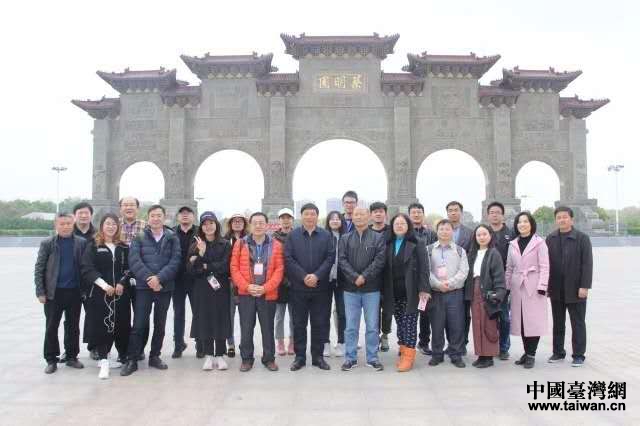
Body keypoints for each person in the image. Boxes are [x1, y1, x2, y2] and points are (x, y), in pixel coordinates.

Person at [121, 205, 181, 376]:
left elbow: (175, 261)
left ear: (164, 217)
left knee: (160, 324)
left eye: (159, 215)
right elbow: (134, 261)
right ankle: (132, 359)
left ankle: (155, 356)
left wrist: (159, 279)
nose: (156, 218)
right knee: (139, 323)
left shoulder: (172, 237)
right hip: (143, 287)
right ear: (148, 218)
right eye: (153, 215)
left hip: (164, 287)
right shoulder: (139, 237)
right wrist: (150, 279)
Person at [230, 212, 284, 372]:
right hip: (246, 294)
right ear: (250, 225)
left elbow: (279, 270)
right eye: (255, 223)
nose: (258, 226)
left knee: (267, 328)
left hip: (267, 294)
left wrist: (265, 288)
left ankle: (269, 359)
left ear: (267, 225)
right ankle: (246, 359)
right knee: (246, 328)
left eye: (262, 223)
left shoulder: (276, 245)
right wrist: (247, 286)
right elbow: (234, 268)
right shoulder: (240, 243)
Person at [80, 213, 132, 379]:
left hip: (120, 294)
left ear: (118, 227)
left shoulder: (124, 247)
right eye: (107, 224)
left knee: (122, 325)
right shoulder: (93, 245)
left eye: (114, 224)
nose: (111, 227)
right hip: (100, 294)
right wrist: (104, 285)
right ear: (102, 226)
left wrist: (122, 283)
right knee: (102, 326)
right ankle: (103, 360)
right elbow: (87, 268)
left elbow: (129, 268)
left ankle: (123, 356)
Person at [34, 212, 87, 374]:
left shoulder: (81, 243)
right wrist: (40, 291)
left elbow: (85, 268)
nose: (65, 227)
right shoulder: (47, 243)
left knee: (73, 326)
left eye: (68, 223)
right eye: (62, 224)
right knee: (51, 326)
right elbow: (39, 268)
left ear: (73, 224)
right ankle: (51, 359)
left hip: (74, 292)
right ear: (56, 225)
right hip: (53, 293)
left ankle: (71, 356)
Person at [286, 203, 335, 371]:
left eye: (312, 214)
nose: (309, 217)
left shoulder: (326, 235)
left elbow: (330, 258)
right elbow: (288, 258)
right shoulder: (292, 236)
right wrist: (303, 276)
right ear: (301, 216)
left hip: (321, 288)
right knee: (299, 324)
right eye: (306, 214)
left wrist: (316, 276)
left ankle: (318, 357)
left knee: (319, 323)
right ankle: (299, 357)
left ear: (317, 216)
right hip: (298, 288)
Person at [338, 207, 386, 371]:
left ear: (369, 217)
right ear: (352, 217)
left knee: (372, 326)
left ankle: (372, 358)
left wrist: (364, 277)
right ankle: (350, 358)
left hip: (371, 289)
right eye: (356, 214)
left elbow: (379, 260)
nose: (359, 217)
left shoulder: (378, 238)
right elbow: (342, 260)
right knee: (351, 326)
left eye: (362, 214)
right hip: (350, 290)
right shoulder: (345, 238)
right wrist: (354, 277)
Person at [382, 213, 430, 372]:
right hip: (393, 291)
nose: (399, 226)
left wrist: (424, 289)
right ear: (392, 226)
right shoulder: (388, 243)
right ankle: (403, 350)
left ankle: (408, 357)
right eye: (396, 223)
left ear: (408, 226)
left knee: (409, 324)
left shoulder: (417, 242)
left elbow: (424, 268)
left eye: (402, 223)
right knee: (400, 323)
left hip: (411, 291)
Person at [546, 206, 593, 367]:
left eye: (565, 217)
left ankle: (578, 355)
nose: (562, 220)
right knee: (558, 322)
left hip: (576, 289)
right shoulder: (551, 238)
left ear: (571, 219)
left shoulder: (582, 238)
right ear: (555, 220)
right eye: (559, 217)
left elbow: (587, 264)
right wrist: (547, 286)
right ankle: (558, 352)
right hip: (556, 288)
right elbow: (546, 264)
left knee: (577, 323)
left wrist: (584, 286)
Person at [187, 211, 232, 371]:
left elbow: (225, 266)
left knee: (220, 319)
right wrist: (200, 254)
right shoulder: (195, 245)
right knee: (204, 319)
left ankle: (219, 354)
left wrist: (205, 263)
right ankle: (208, 355)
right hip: (202, 288)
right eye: (205, 224)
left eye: (211, 223)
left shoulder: (225, 244)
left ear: (216, 225)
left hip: (220, 287)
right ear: (201, 227)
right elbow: (191, 270)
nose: (208, 226)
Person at [505, 212, 550, 369]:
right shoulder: (513, 244)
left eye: (525, 221)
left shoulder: (539, 243)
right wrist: (507, 287)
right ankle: (526, 352)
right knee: (522, 322)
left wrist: (542, 286)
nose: (522, 224)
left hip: (534, 286)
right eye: (519, 222)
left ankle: (531, 354)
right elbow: (509, 268)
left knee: (533, 321)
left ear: (531, 224)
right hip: (518, 286)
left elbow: (545, 266)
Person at [427, 219, 469, 368]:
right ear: (437, 231)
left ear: (452, 231)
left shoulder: (460, 251)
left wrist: (449, 284)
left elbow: (463, 272)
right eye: (441, 229)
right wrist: (438, 284)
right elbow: (426, 271)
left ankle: (456, 355)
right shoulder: (429, 250)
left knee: (456, 325)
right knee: (436, 325)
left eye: (447, 229)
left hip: (455, 293)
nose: (444, 231)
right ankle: (437, 354)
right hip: (436, 293)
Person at [464, 224, 507, 368]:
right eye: (478, 235)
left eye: (484, 234)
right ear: (475, 237)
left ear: (490, 236)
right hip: (474, 291)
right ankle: (481, 355)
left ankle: (489, 357)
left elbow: (499, 276)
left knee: (488, 324)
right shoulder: (472, 253)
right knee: (477, 324)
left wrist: (498, 293)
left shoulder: (494, 253)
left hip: (488, 293)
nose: (481, 237)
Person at [119, 196, 148, 360]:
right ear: (120, 208)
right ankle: (124, 351)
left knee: (142, 316)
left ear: (138, 208)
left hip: (141, 278)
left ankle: (139, 349)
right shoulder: (114, 226)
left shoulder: (146, 227)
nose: (129, 207)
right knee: (122, 316)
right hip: (120, 279)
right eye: (125, 205)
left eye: (132, 205)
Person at [408, 202, 437, 356]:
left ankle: (424, 342)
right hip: (409, 279)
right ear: (409, 215)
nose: (416, 214)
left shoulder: (431, 234)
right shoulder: (406, 233)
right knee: (409, 314)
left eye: (419, 212)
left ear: (423, 214)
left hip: (425, 279)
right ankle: (406, 344)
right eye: (413, 212)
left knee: (425, 313)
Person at [486, 201, 513, 361]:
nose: (495, 215)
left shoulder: (511, 234)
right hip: (487, 282)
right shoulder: (483, 232)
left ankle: (504, 347)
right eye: (492, 212)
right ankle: (490, 346)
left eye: (498, 212)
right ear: (487, 215)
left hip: (504, 283)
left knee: (504, 317)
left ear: (503, 215)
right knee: (489, 317)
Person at [72, 201, 98, 362]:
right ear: (75, 216)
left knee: (93, 316)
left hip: (91, 283)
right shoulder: (68, 232)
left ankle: (93, 347)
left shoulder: (97, 234)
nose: (83, 215)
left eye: (86, 213)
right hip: (72, 282)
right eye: (80, 213)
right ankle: (70, 352)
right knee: (71, 320)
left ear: (91, 215)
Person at [446, 200, 473, 356]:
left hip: (464, 281)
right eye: (450, 210)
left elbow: (472, 254)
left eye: (456, 210)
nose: (453, 212)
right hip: (444, 281)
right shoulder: (441, 231)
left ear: (461, 213)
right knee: (447, 315)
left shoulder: (469, 233)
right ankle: (451, 344)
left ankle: (462, 344)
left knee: (464, 314)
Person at [172, 206, 198, 359]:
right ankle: (178, 345)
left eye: (188, 213)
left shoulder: (200, 232)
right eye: (182, 213)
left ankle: (200, 345)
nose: (185, 215)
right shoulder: (171, 233)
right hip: (177, 280)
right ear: (178, 217)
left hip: (195, 280)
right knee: (178, 313)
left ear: (193, 217)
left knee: (198, 313)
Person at [223, 213, 248, 358]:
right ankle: (230, 344)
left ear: (244, 224)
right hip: (229, 283)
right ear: (230, 224)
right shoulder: (224, 240)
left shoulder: (249, 240)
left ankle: (244, 344)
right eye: (234, 221)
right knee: (229, 317)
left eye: (240, 221)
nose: (237, 223)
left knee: (246, 318)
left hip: (245, 284)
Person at [369, 201, 392, 353]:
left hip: (389, 276)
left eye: (381, 211)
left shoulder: (392, 231)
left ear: (385, 214)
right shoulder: (367, 231)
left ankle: (385, 335)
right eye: (375, 211)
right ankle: (375, 336)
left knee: (388, 310)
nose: (378, 214)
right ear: (371, 215)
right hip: (371, 277)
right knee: (373, 310)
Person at [273, 208, 295, 357]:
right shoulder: (273, 238)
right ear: (279, 220)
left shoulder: (297, 235)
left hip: (294, 281)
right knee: (279, 315)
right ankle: (280, 341)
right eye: (283, 218)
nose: (286, 220)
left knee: (294, 315)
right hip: (279, 282)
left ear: (292, 220)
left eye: (288, 218)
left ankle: (292, 342)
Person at [324, 210, 346, 357]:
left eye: (338, 218)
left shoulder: (347, 237)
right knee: (324, 313)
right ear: (328, 221)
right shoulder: (323, 237)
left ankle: (341, 342)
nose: (335, 220)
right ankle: (325, 343)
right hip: (325, 280)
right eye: (332, 218)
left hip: (343, 280)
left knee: (342, 312)